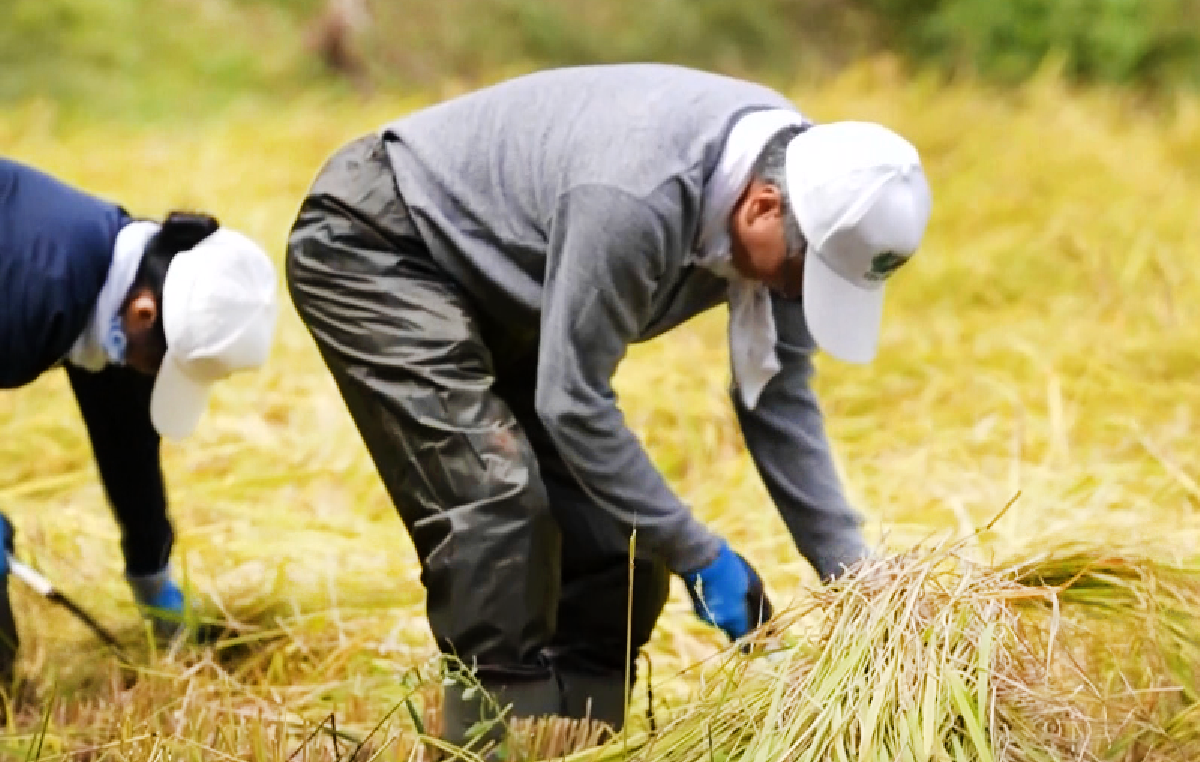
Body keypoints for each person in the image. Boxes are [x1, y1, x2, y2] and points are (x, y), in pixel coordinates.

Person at [285, 63, 932, 746]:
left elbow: (776, 397)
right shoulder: (639, 196)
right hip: (383, 241)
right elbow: (572, 401)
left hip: (508, 282)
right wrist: (700, 552)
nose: (795, 295)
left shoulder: (806, 201)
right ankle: (485, 749)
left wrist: (856, 581)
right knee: (496, 513)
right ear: (762, 207)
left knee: (617, 549)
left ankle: (578, 743)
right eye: (799, 277)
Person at [0, 157, 280, 682]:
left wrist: (152, 574)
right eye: (161, 368)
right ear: (145, 313)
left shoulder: (116, 282)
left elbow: (127, 443)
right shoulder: (30, 297)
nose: (147, 376)